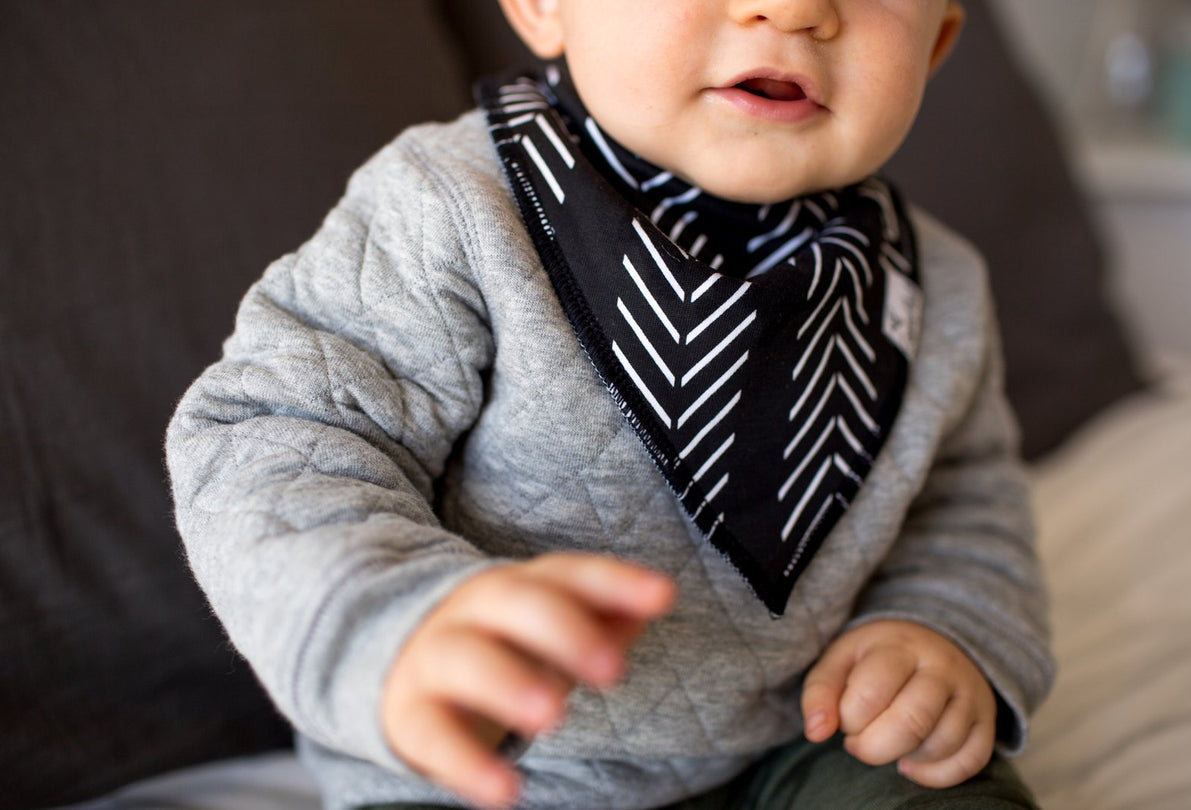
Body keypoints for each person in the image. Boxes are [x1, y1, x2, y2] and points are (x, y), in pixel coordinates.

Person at [166, 1, 1053, 808]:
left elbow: (965, 502)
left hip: (800, 740)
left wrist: (944, 628)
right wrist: (388, 615)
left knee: (942, 789)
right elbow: (279, 440)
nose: (792, 10)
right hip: (501, 761)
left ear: (936, 39)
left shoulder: (935, 288)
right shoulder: (450, 209)